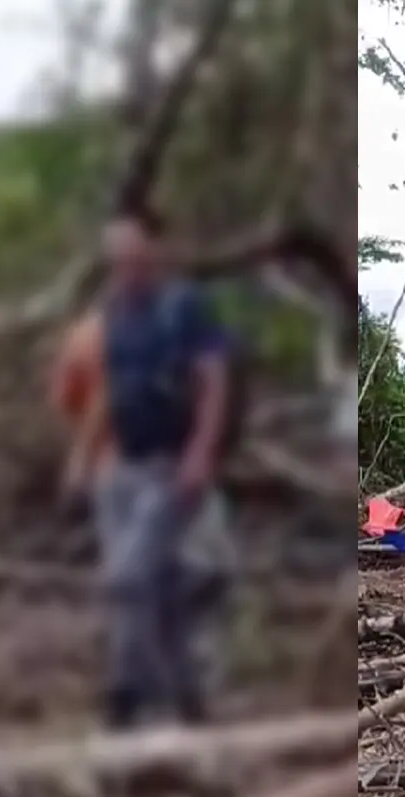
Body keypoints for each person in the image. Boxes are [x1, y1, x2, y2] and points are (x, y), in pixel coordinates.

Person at [59, 205, 234, 731]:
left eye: (133, 254)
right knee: (147, 587)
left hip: (166, 465)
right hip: (120, 470)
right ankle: (184, 696)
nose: (125, 265)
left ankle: (126, 697)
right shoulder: (114, 315)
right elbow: (108, 396)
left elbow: (213, 379)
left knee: (128, 578)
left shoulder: (185, 308)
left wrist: (202, 451)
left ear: (155, 250)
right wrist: (81, 459)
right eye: (116, 257)